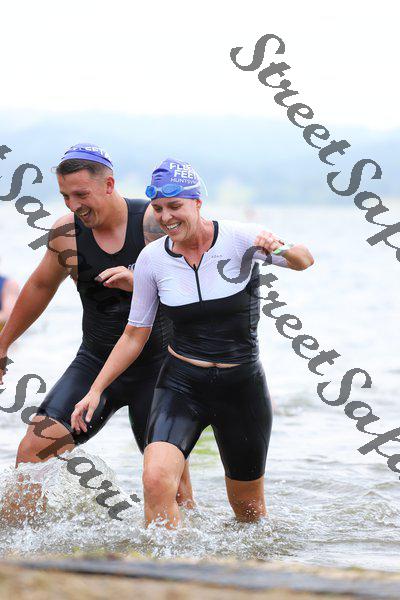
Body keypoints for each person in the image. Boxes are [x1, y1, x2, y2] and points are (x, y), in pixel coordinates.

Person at [72, 157, 314, 529]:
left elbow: (304, 261)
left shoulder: (241, 238)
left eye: (174, 206)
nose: (165, 217)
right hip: (181, 386)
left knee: (249, 512)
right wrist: (95, 390)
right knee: (155, 481)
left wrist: (278, 247)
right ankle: (170, 561)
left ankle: (244, 565)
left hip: (241, 389)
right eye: (158, 209)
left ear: (197, 202)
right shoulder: (152, 259)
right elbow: (134, 334)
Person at [0, 145, 194, 524]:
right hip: (94, 363)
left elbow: (196, 284)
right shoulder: (66, 233)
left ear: (108, 185)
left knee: (170, 485)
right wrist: (3, 344)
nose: (74, 206)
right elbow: (40, 286)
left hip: (157, 370)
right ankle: (21, 546)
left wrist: (138, 281)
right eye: (65, 196)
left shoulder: (154, 224)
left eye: (81, 194)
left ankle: (189, 549)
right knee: (32, 452)